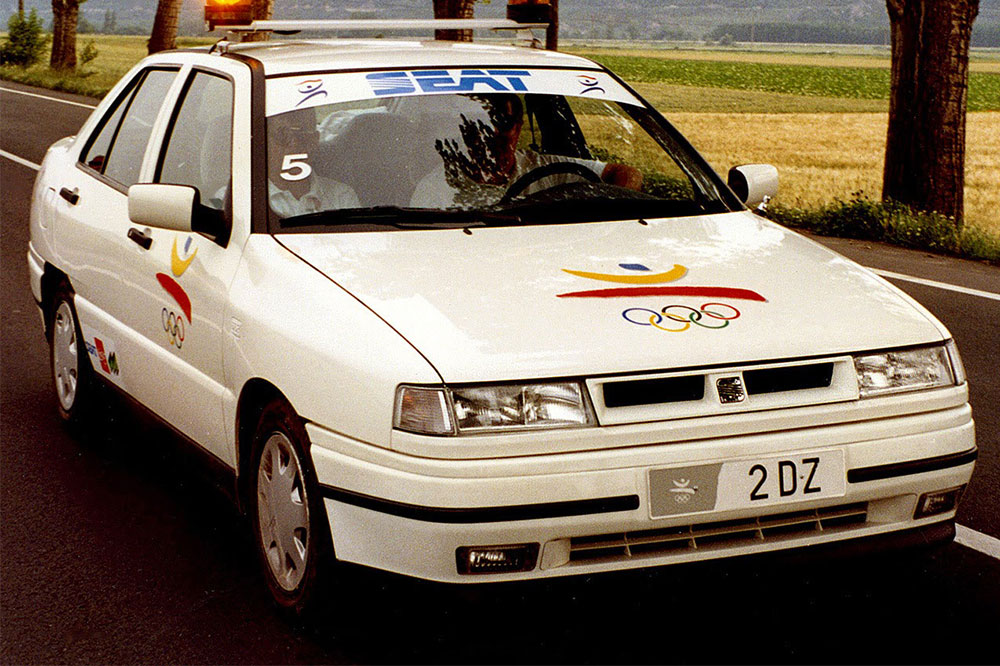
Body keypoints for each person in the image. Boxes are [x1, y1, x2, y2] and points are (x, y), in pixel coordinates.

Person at [410, 95, 642, 209]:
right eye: (483, 124)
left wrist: (612, 210)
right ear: (465, 132)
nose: (494, 134)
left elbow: (625, 173)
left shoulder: (545, 166)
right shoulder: (434, 190)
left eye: (504, 123)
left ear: (518, 128)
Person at [267, 108, 360, 218]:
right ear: (265, 140)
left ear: (315, 140)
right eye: (282, 135)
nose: (294, 144)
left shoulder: (342, 196)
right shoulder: (247, 200)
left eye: (303, 134)